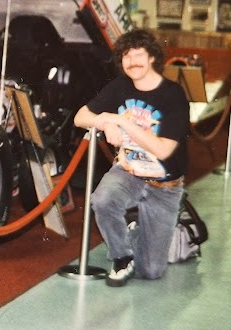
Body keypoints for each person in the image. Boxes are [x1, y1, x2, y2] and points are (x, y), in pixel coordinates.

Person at [73, 29, 189, 287]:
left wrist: (123, 123)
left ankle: (145, 231)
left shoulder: (173, 95)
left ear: (152, 58)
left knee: (150, 271)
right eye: (126, 56)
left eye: (139, 54)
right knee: (102, 200)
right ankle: (122, 257)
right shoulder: (119, 86)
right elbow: (80, 117)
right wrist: (106, 121)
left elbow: (162, 150)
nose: (132, 61)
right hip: (129, 172)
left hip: (165, 184)